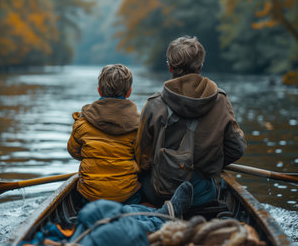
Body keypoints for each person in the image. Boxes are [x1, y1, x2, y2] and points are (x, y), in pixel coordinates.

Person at [136, 36, 247, 207]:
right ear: (200, 67)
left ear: (170, 67)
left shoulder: (154, 104)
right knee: (219, 185)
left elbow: (142, 160)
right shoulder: (221, 100)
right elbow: (237, 148)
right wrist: (212, 164)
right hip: (201, 194)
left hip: (160, 194)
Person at [67, 64, 141, 204]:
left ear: (99, 91)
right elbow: (143, 159)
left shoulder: (82, 123)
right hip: (126, 194)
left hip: (90, 195)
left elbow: (74, 152)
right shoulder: (139, 126)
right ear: (129, 92)